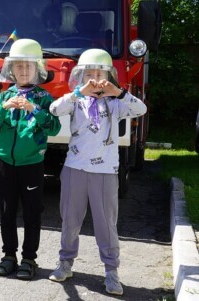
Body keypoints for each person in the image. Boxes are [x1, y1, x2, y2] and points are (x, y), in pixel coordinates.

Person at [48, 48, 147, 296]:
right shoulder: (76, 100)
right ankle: (65, 262)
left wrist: (119, 91)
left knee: (106, 224)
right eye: (88, 73)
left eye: (99, 73)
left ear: (108, 76)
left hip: (105, 172)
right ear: (80, 76)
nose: (94, 79)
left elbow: (141, 110)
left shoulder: (116, 104)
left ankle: (111, 271)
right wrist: (78, 93)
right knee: (70, 220)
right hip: (74, 168)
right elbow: (54, 109)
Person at [0, 39, 61, 280]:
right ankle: (9, 256)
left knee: (31, 212)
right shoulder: (4, 95)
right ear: (11, 69)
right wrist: (3, 108)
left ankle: (29, 258)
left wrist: (33, 109)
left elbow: (54, 128)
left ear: (38, 69)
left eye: (29, 66)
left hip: (32, 165)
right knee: (7, 211)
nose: (24, 71)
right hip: (6, 163)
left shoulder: (44, 98)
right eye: (19, 66)